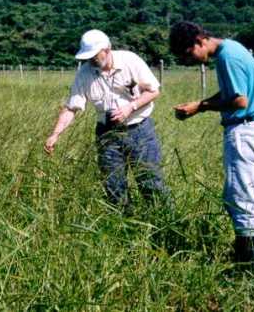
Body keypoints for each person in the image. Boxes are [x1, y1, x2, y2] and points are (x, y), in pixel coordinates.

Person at [169, 21, 254, 272]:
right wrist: (199, 105)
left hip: (244, 131)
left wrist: (201, 106)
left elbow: (239, 101)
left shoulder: (227, 58)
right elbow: (231, 93)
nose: (190, 60)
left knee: (241, 199)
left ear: (199, 41)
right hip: (252, 130)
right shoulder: (232, 49)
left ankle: (248, 268)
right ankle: (243, 257)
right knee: (234, 196)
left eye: (188, 53)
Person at [44, 29, 170, 212]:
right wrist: (55, 134)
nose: (91, 60)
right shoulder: (84, 73)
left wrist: (131, 107)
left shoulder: (130, 60)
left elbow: (154, 90)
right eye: (88, 57)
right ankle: (124, 222)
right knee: (113, 186)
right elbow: (71, 107)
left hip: (140, 130)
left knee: (150, 182)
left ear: (107, 49)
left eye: (95, 55)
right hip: (107, 134)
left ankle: (163, 219)